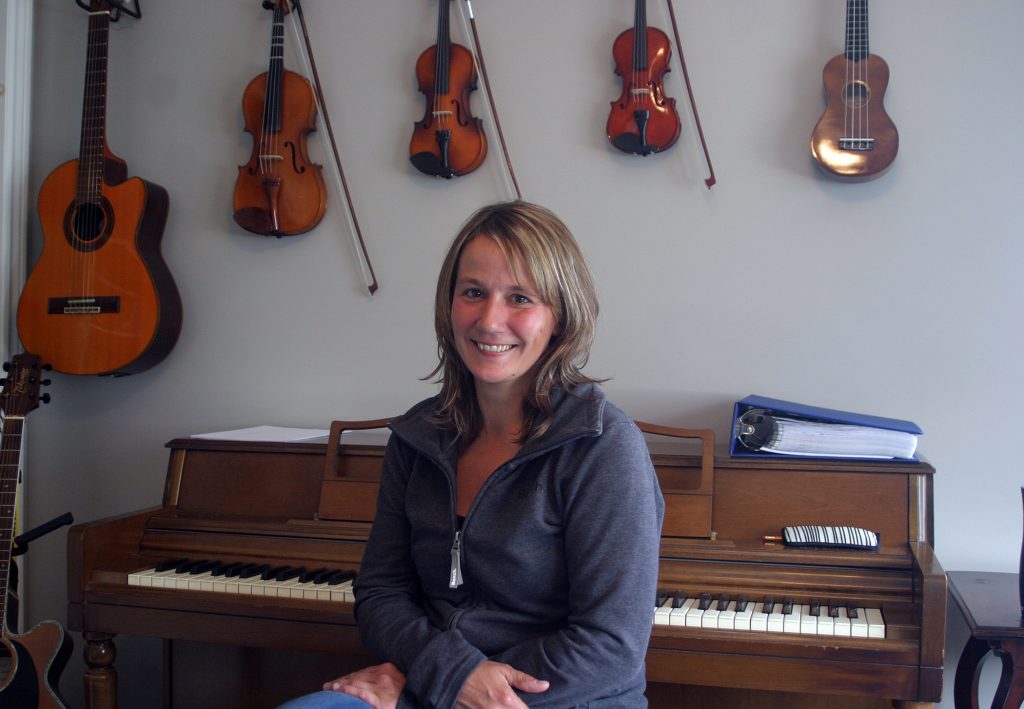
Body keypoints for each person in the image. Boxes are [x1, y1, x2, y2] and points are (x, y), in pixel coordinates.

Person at [280, 201, 664, 709]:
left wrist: (444, 682)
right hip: (437, 683)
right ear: (450, 304)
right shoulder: (417, 436)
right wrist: (450, 676)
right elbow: (380, 595)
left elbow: (611, 645)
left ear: (560, 317)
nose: (490, 320)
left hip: (558, 698)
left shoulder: (604, 445)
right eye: (474, 293)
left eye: (520, 298)